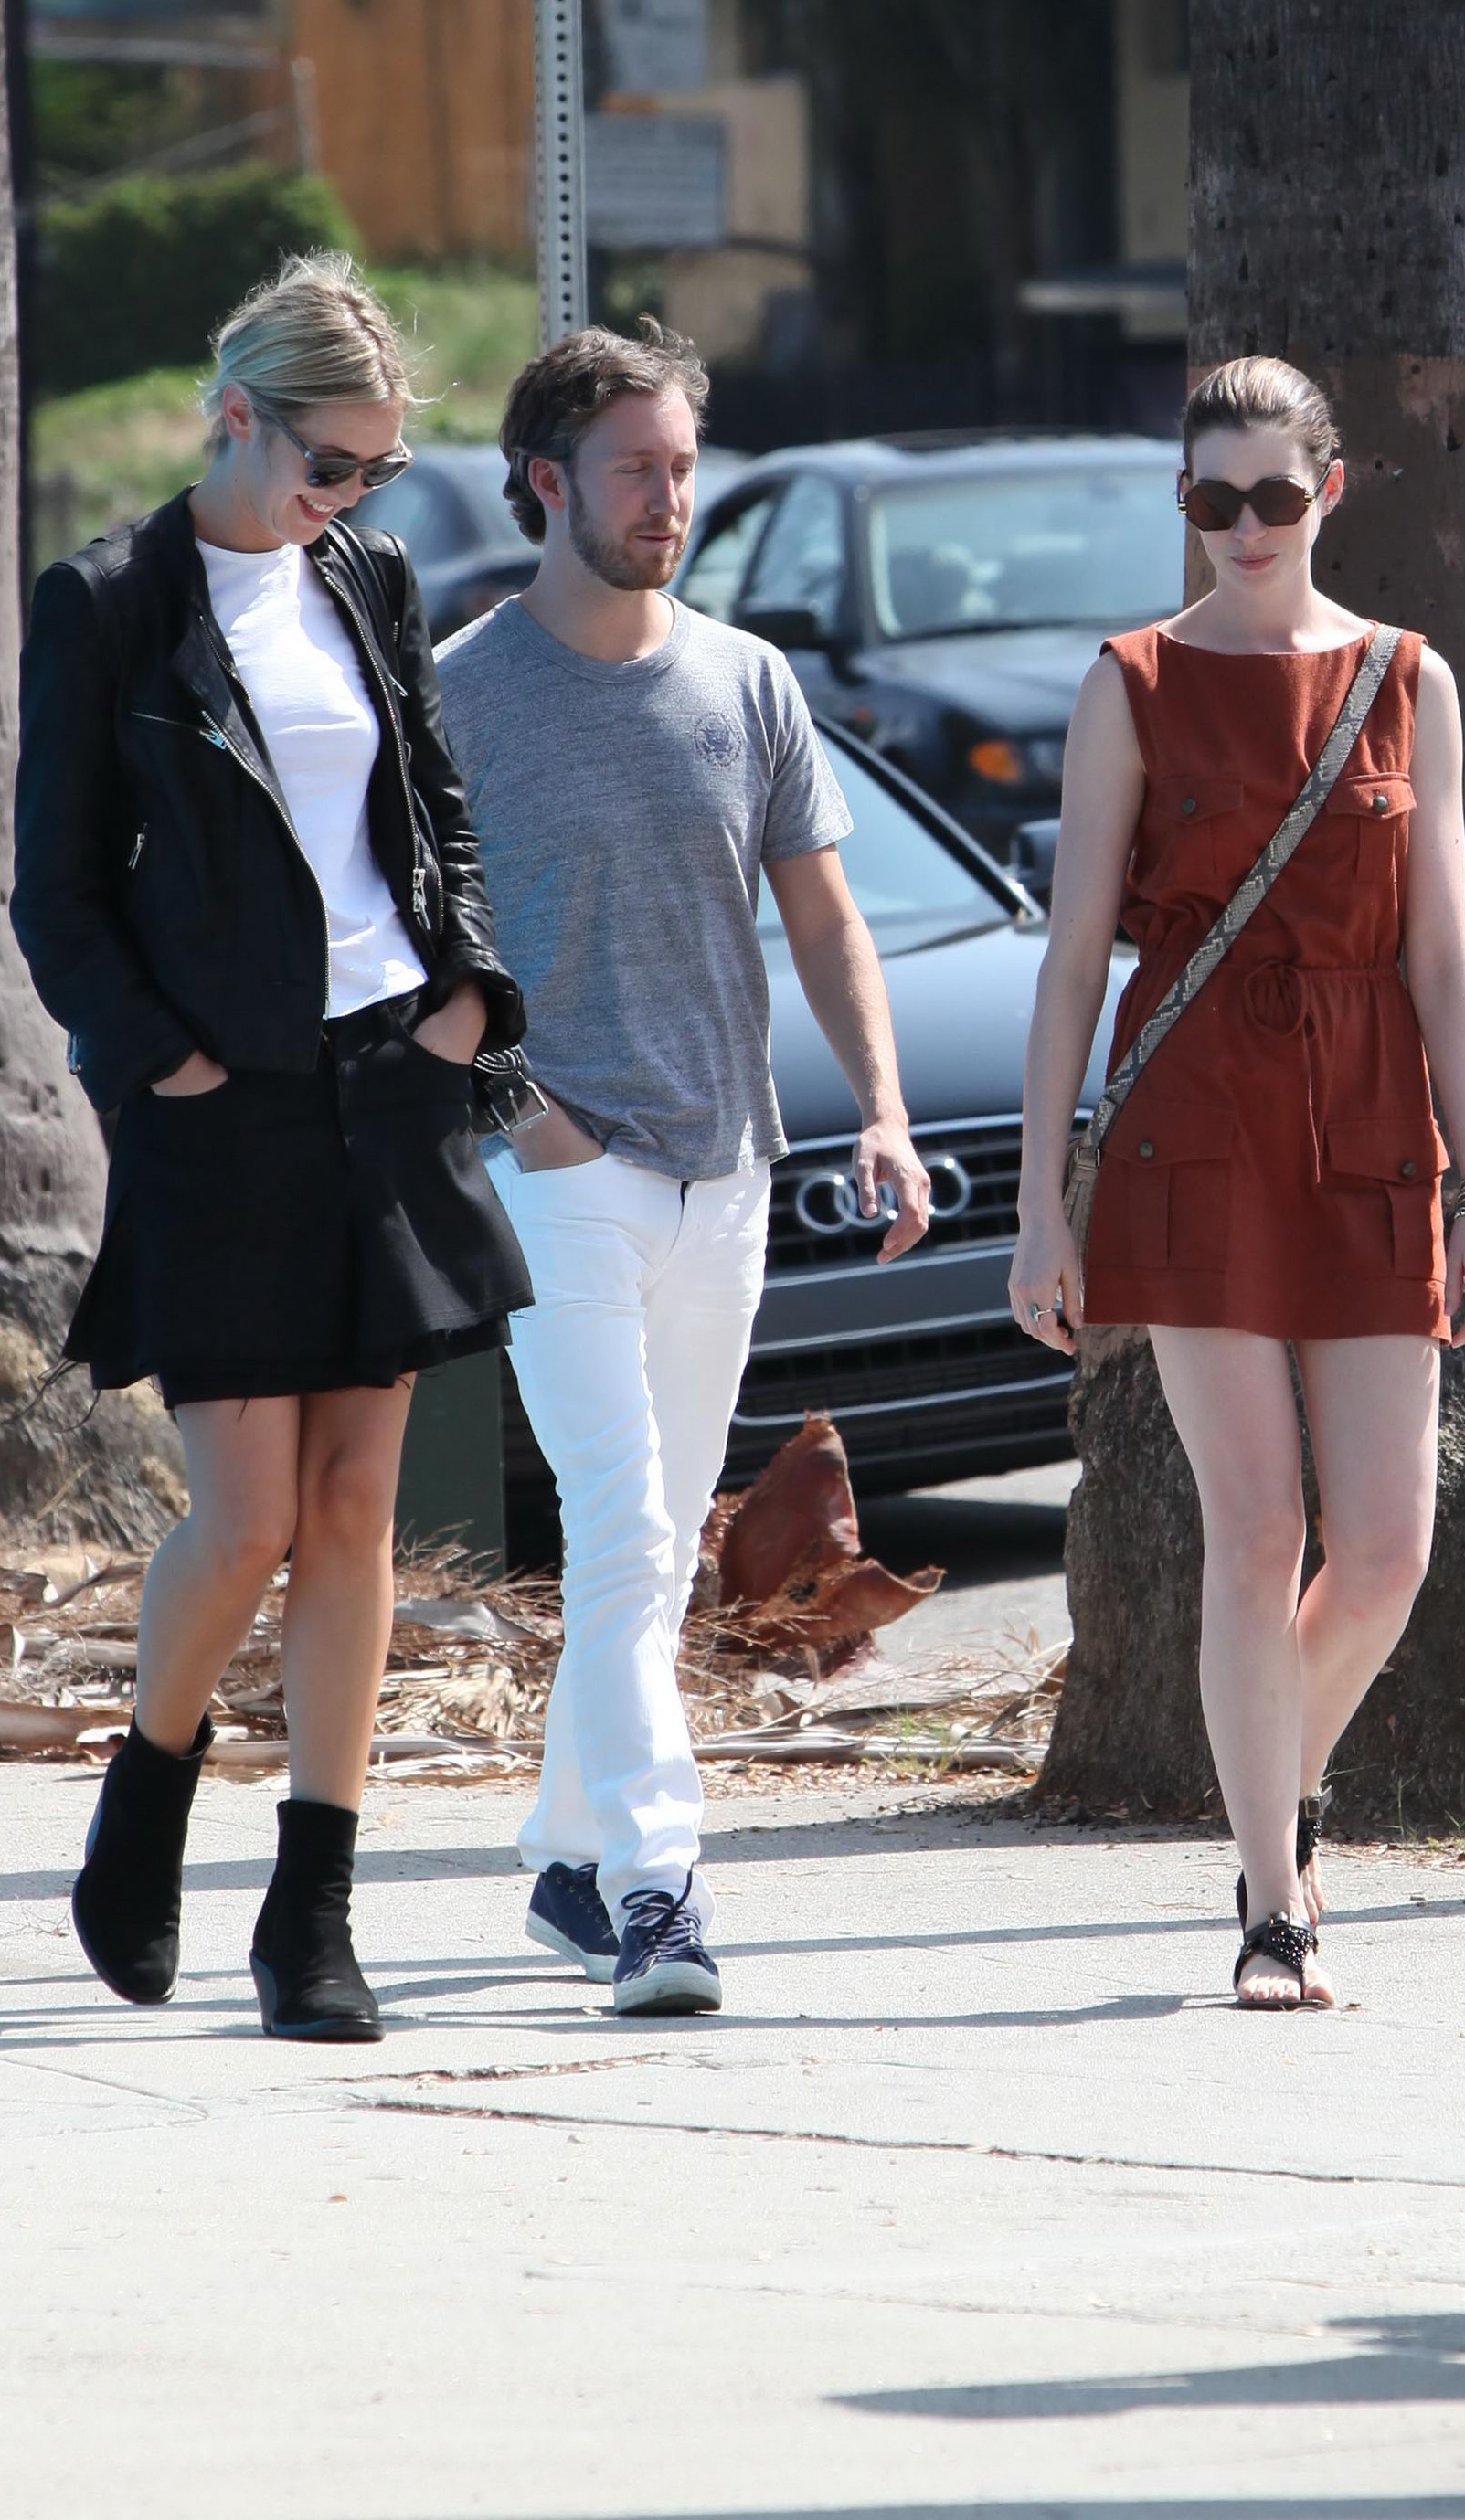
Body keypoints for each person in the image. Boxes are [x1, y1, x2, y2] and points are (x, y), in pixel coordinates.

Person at [12, 252, 533, 2043]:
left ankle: (314, 1912)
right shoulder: (107, 600)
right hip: (217, 1101)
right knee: (242, 1520)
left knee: (355, 1513)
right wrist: (160, 1061)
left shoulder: (367, 577)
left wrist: (467, 994)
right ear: (237, 418)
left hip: (388, 1076)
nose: (353, 496)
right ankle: (145, 1804)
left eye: (379, 469)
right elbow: (54, 889)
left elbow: (437, 804)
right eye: (330, 463)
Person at [437, 321, 931, 2016]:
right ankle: (662, 1893)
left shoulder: (748, 680)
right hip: (556, 1172)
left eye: (684, 468)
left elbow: (826, 916)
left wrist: (881, 1110)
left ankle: (566, 1858)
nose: (669, 500)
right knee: (627, 1529)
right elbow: (405, 950)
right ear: (546, 482)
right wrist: (527, 1119)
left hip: (728, 1171)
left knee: (650, 1550)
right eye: (635, 470)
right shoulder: (462, 693)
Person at [1010, 355, 1465, 2012]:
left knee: (1385, 1550)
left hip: (1373, 1128)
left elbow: (1445, 959)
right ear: (1183, 502)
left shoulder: (1408, 678)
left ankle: (1270, 1797)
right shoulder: (1133, 682)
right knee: (1256, 1524)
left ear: (1331, 491)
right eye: (1211, 498)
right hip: (1194, 1124)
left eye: (1274, 495)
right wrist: (1040, 1204)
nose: (1243, 527)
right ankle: (1273, 1901)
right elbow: (1071, 962)